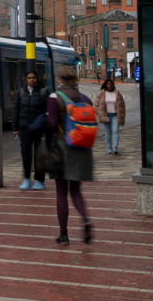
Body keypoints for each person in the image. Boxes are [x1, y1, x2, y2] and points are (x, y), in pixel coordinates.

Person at [46, 66, 94, 245]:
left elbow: (51, 125)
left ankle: (64, 234)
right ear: (75, 80)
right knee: (75, 190)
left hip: (61, 148)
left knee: (61, 192)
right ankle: (85, 218)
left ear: (59, 80)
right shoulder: (85, 99)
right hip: (81, 149)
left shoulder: (55, 97)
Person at [12, 71, 48, 190]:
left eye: (33, 78)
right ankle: (26, 179)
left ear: (37, 79)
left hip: (39, 128)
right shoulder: (21, 92)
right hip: (24, 127)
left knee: (39, 155)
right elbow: (16, 110)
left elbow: (47, 111)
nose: (31, 80)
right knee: (26, 154)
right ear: (26, 79)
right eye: (29, 78)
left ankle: (40, 181)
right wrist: (15, 127)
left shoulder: (43, 92)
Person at [95, 77, 126, 154]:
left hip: (115, 115)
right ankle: (109, 148)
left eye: (111, 84)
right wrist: (99, 113)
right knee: (108, 132)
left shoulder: (117, 93)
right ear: (105, 85)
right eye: (108, 84)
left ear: (113, 85)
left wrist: (123, 113)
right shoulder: (102, 93)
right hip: (106, 115)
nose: (109, 85)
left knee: (115, 131)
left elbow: (122, 105)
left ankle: (115, 148)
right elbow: (97, 104)